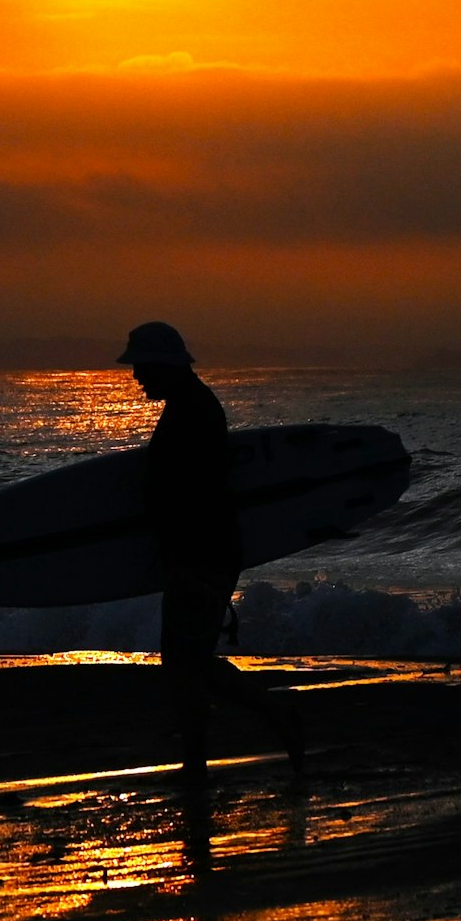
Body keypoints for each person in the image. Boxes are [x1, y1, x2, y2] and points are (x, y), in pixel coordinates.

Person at [118, 320, 306, 795]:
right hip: (200, 551)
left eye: (141, 366)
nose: (136, 376)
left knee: (186, 662)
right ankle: (199, 759)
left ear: (164, 364)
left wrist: (183, 560)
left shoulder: (194, 412)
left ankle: (260, 721)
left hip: (201, 554)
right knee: (187, 661)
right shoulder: (189, 405)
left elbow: (196, 494)